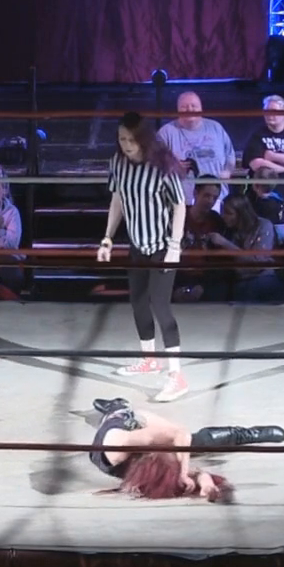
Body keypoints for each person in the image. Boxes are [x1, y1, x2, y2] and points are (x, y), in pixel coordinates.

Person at [98, 113, 189, 401]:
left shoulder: (162, 165)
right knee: (138, 302)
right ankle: (149, 359)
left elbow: (179, 205)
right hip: (137, 244)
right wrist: (108, 238)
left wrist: (175, 245)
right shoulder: (117, 164)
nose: (126, 145)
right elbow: (117, 200)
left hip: (162, 245)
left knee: (160, 305)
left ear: (144, 139)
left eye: (131, 139)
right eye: (122, 139)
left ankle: (177, 376)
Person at [89, 397, 284, 501]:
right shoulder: (121, 453)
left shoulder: (130, 440)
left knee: (193, 440)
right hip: (118, 439)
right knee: (193, 443)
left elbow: (180, 433)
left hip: (129, 421)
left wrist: (184, 472)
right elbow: (196, 473)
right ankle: (116, 405)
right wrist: (206, 484)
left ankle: (247, 434)